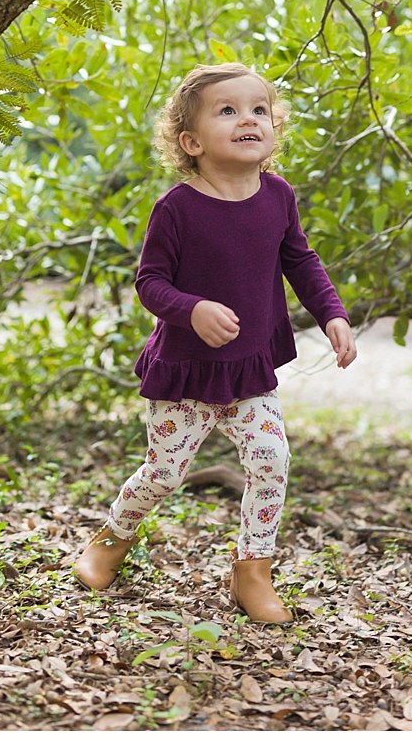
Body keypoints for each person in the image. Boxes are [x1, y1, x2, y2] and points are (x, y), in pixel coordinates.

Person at [73, 63, 357, 621]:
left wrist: (332, 314)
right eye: (228, 110)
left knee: (272, 459)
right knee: (165, 471)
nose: (248, 119)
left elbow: (300, 259)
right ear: (192, 141)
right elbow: (150, 282)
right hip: (187, 368)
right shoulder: (177, 208)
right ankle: (112, 537)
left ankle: (253, 569)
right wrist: (193, 309)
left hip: (247, 370)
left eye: (259, 109)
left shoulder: (277, 196)